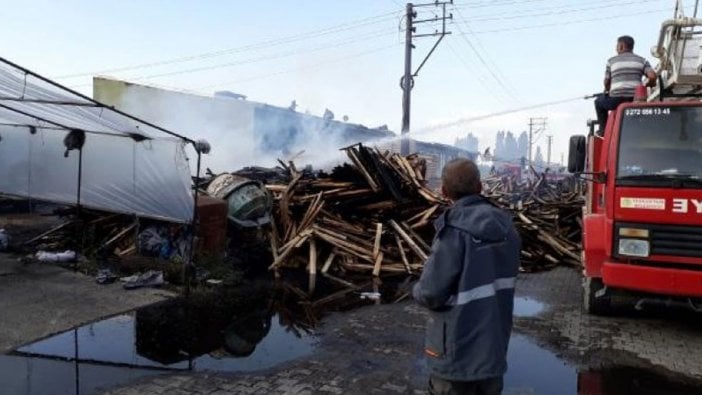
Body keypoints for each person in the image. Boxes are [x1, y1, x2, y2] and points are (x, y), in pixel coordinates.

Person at [412, 158, 521, 395]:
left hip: (455, 355)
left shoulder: (453, 232)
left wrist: (416, 290)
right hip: (492, 350)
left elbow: (431, 293)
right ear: (480, 187)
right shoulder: (508, 230)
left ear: (443, 191)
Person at [595, 35, 657, 134]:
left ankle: (603, 130)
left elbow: (607, 81)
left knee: (598, 102)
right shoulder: (642, 60)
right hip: (635, 99)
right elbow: (652, 76)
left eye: (617, 45)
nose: (616, 48)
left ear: (622, 46)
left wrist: (607, 90)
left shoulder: (611, 61)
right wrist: (649, 85)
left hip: (616, 100)